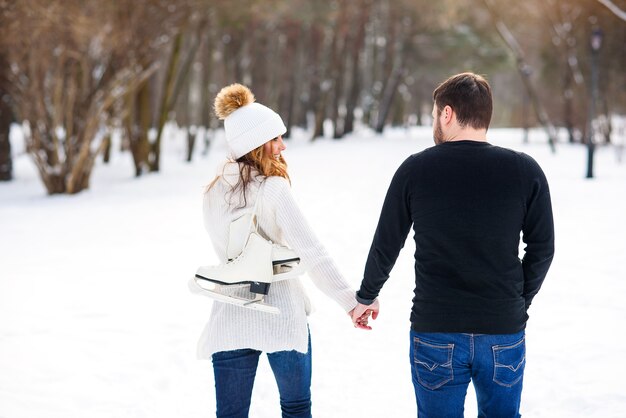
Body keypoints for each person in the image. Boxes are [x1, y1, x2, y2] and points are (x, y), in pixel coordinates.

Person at [351, 72, 555, 417]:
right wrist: (517, 302)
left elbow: (387, 242)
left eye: (434, 114)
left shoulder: (415, 170)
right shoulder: (525, 170)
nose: (434, 121)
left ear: (447, 113)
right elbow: (542, 248)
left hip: (436, 329)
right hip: (502, 328)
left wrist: (366, 296)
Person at [195, 83, 357, 418]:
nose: (282, 146)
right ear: (256, 145)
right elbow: (311, 252)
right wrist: (350, 302)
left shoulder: (212, 192)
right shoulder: (273, 189)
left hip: (230, 313)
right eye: (275, 139)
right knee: (296, 408)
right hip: (281, 312)